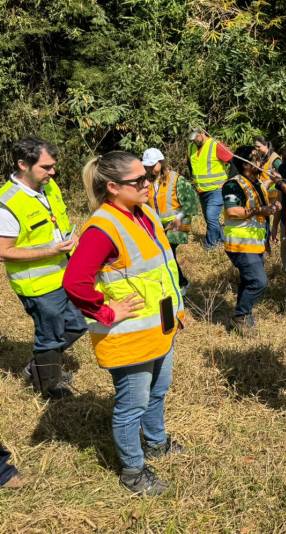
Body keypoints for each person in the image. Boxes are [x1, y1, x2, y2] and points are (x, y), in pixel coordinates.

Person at [63, 151, 185, 496]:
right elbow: (75, 283)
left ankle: (157, 443)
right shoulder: (101, 228)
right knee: (132, 405)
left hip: (159, 326)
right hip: (129, 336)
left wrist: (176, 311)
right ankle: (133, 471)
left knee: (158, 392)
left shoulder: (142, 212)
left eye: (147, 176)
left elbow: (160, 269)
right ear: (113, 187)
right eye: (139, 180)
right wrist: (105, 312)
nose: (148, 183)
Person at [0, 137, 87, 398]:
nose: (53, 172)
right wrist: (50, 251)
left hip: (65, 272)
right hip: (37, 285)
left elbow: (56, 222)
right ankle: (48, 387)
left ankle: (37, 367)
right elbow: (3, 251)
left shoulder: (48, 187)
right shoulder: (8, 203)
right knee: (49, 336)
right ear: (23, 164)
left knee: (79, 323)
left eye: (53, 166)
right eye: (46, 167)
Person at [221, 145, 280, 331]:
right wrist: (258, 210)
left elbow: (264, 209)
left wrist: (272, 206)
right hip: (240, 245)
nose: (259, 160)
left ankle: (244, 317)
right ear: (245, 164)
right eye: (254, 158)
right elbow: (232, 211)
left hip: (256, 244)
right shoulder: (233, 184)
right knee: (258, 281)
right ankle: (240, 316)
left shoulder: (258, 183)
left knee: (248, 281)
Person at [142, 148, 199, 294]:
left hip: (178, 223)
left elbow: (192, 203)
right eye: (147, 165)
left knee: (168, 253)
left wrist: (179, 218)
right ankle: (175, 282)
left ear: (161, 162)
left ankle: (181, 284)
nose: (150, 168)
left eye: (153, 165)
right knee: (163, 254)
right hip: (158, 226)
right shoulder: (147, 182)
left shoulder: (175, 179)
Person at [187, 128, 233, 249]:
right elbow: (191, 166)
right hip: (202, 190)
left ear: (201, 133)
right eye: (192, 139)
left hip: (217, 190)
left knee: (211, 216)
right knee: (209, 219)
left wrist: (229, 182)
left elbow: (233, 161)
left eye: (196, 138)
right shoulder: (191, 147)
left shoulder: (215, 145)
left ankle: (210, 246)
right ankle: (222, 239)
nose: (194, 141)